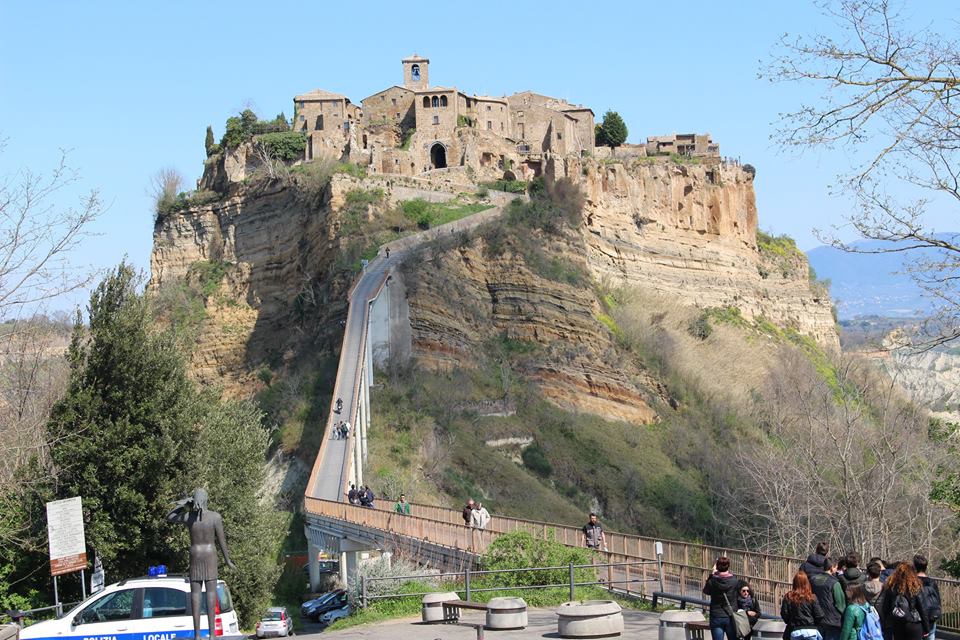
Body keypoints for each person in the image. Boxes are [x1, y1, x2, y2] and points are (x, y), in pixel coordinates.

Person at [880, 562, 929, 640]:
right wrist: (926, 628)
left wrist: (886, 624)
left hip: (898, 623)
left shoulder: (892, 587)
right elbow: (922, 609)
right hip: (914, 623)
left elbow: (885, 607)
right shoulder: (915, 587)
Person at [809, 557, 846, 640]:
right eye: (836, 567)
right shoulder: (835, 583)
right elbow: (840, 604)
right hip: (832, 622)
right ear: (832, 568)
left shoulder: (812, 580)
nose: (836, 570)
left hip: (816, 619)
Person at [781, 571, 825, 640]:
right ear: (807, 583)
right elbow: (819, 615)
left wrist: (791, 622)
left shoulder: (788, 597)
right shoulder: (812, 597)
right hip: (810, 631)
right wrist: (813, 624)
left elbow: (784, 614)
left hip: (795, 630)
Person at [703, 557, 739, 640]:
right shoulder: (734, 581)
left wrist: (712, 575)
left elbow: (706, 591)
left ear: (717, 566)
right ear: (728, 566)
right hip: (731, 615)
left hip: (716, 615)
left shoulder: (712, 581)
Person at [914, 555, 941, 640]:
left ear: (914, 567)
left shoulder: (913, 582)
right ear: (926, 567)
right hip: (931, 614)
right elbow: (937, 599)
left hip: (917, 616)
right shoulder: (932, 582)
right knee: (931, 635)